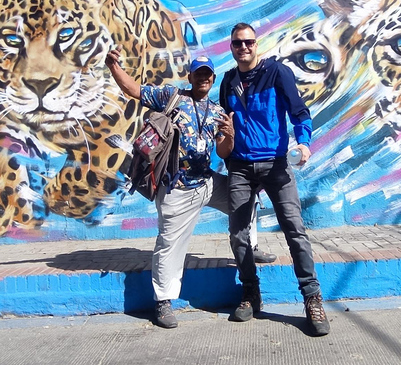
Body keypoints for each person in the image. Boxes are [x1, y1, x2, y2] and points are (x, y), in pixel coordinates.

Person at [105, 49, 274, 329]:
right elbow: (134, 90)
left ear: (213, 78)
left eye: (207, 74)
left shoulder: (218, 112)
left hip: (206, 183)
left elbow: (222, 150)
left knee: (244, 197)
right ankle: (163, 302)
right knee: (169, 245)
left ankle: (251, 247)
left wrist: (229, 136)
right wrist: (114, 68)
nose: (203, 78)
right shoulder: (171, 97)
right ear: (190, 76)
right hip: (177, 189)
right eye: (198, 74)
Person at [219, 22, 330, 337]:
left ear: (257, 44)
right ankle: (251, 293)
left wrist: (304, 141)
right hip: (240, 165)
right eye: (238, 44)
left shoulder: (277, 73)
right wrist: (224, 151)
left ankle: (312, 298)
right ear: (232, 47)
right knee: (238, 235)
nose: (244, 48)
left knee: (295, 230)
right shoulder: (227, 82)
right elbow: (224, 125)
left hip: (276, 164)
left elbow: (299, 112)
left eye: (249, 42)